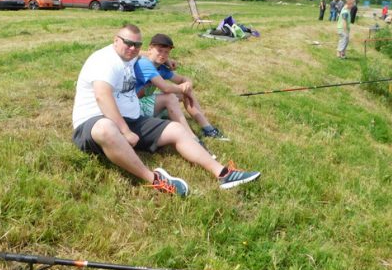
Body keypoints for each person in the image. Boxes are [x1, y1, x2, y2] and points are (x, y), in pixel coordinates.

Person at [71, 24, 261, 196]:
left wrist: (166, 60)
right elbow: (102, 96)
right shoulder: (104, 61)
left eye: (137, 45)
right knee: (105, 128)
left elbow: (142, 53)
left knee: (177, 129)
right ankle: (155, 179)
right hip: (95, 122)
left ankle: (223, 174)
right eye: (128, 43)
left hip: (131, 118)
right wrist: (125, 131)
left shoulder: (129, 55)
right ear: (115, 40)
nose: (132, 48)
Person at [134, 33, 229, 141]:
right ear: (150, 49)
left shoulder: (161, 68)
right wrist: (183, 88)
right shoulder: (144, 64)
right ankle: (192, 139)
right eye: (159, 50)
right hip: (135, 106)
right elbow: (166, 88)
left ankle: (207, 128)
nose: (163, 55)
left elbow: (183, 79)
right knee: (170, 97)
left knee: (183, 93)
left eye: (166, 52)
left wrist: (188, 85)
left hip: (146, 100)